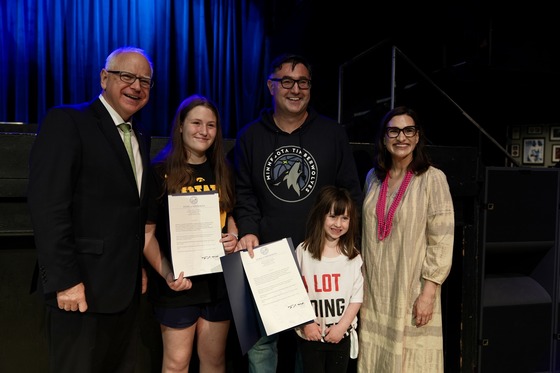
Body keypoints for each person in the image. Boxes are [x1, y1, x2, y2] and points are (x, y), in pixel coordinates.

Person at [233, 53, 363, 373]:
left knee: (313, 348)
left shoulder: (332, 134)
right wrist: (249, 228)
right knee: (263, 345)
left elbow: (350, 193)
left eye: (302, 82)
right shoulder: (250, 136)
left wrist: (344, 244)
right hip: (267, 256)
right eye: (286, 81)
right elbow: (244, 192)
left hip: (320, 259)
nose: (295, 89)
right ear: (270, 86)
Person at [27, 46, 154, 372]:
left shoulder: (140, 133)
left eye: (145, 81)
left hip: (123, 294)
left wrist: (134, 266)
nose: (136, 86)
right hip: (79, 291)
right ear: (104, 78)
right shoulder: (68, 121)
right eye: (127, 76)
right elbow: (49, 208)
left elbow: (129, 213)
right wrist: (64, 281)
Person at [143, 94, 238, 372]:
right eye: (196, 123)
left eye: (211, 125)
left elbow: (231, 214)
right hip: (177, 286)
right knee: (176, 363)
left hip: (217, 284)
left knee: (214, 361)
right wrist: (168, 274)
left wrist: (232, 236)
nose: (204, 131)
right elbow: (147, 236)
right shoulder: (159, 172)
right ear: (181, 126)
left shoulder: (224, 170)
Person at [358, 106, 454, 372]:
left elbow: (442, 239)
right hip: (376, 293)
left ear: (417, 136)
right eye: (394, 131)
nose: (402, 137)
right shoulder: (373, 178)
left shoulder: (433, 179)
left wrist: (429, 291)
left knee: (412, 361)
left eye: (408, 130)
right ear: (384, 137)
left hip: (412, 290)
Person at [295, 186, 363, 373]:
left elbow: (356, 299)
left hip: (339, 336)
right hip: (310, 335)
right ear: (321, 215)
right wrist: (307, 324)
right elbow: (294, 292)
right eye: (333, 216)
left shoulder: (353, 257)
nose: (338, 224)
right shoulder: (303, 252)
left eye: (345, 218)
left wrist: (341, 328)